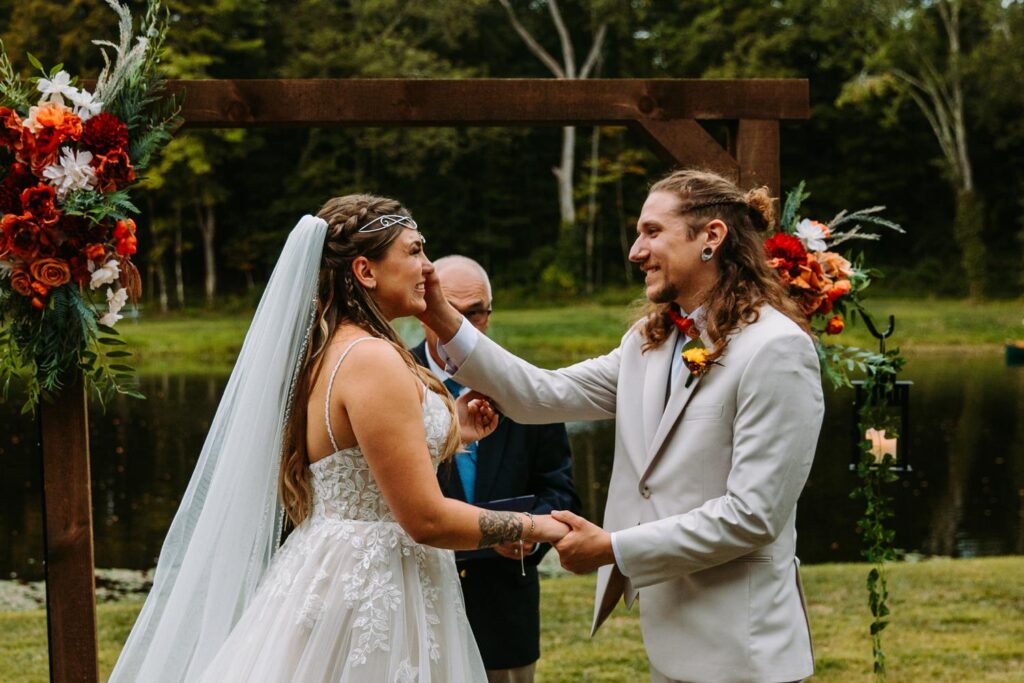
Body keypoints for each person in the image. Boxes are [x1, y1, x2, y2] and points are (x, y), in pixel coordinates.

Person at [109, 195, 569, 683]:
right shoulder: (374, 359)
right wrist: (539, 527)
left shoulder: (334, 349)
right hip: (375, 588)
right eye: (414, 251)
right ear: (365, 271)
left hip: (332, 566)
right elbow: (426, 519)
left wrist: (450, 429)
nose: (428, 268)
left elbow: (357, 458)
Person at [419, 169, 824, 683]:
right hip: (670, 639)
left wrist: (614, 548)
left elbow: (752, 516)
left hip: (744, 650)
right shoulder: (648, 343)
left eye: (652, 232)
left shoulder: (776, 349)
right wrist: (439, 314)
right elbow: (540, 393)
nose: (636, 252)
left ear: (711, 236)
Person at [412, 255, 580, 683]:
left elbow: (559, 489)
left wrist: (531, 536)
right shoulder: (394, 376)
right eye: (449, 309)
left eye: (475, 313)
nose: (461, 324)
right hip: (416, 601)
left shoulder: (523, 384)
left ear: (489, 314)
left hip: (504, 607)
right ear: (424, 308)